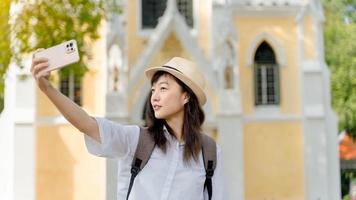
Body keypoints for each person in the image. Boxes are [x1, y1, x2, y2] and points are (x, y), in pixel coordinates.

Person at [31, 54, 224, 200]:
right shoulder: (136, 140)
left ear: (186, 96)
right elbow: (87, 124)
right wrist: (47, 88)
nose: (155, 96)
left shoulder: (210, 153)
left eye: (163, 88)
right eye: (153, 89)